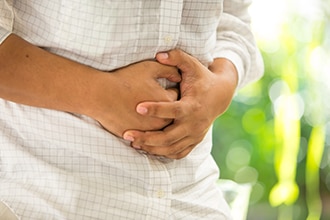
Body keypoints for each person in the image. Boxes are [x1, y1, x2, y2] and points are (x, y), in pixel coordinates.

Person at [0, 0, 263, 219]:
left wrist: (220, 85)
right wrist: (98, 94)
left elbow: (233, 20)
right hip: (39, 196)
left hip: (192, 198)